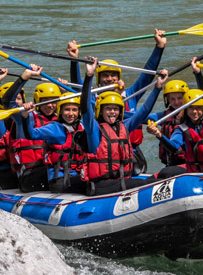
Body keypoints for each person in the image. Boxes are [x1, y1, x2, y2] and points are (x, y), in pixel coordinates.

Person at [67, 28, 167, 173]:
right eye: (105, 76)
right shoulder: (93, 98)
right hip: (104, 154)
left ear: (118, 77)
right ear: (99, 79)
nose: (109, 79)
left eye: (113, 75)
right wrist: (74, 59)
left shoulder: (130, 94)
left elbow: (147, 75)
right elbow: (80, 89)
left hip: (130, 154)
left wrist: (159, 47)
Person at [81, 58, 168, 195]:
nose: (112, 112)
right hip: (100, 185)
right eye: (108, 109)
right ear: (100, 111)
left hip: (120, 180)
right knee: (148, 184)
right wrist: (89, 76)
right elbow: (85, 107)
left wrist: (157, 87)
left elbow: (143, 111)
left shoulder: (124, 126)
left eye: (115, 109)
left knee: (163, 177)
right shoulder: (93, 129)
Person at [15, 87, 87, 193]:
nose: (71, 113)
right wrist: (25, 116)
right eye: (67, 109)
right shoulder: (55, 128)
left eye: (74, 110)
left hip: (76, 175)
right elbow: (32, 134)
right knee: (91, 183)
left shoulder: (82, 126)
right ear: (60, 111)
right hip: (59, 180)